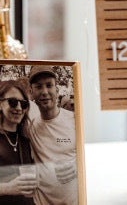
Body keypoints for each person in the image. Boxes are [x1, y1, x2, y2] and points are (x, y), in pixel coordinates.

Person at [28, 66, 77, 205]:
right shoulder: (30, 127)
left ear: (57, 90)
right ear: (31, 93)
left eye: (49, 85)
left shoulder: (75, 121)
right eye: (38, 87)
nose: (44, 92)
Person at [0, 80, 37, 204]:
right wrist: (6, 188)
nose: (19, 108)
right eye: (13, 102)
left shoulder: (26, 140)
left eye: (23, 104)